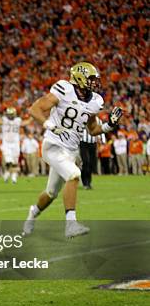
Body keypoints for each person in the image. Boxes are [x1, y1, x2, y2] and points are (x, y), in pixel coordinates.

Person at [23, 62, 123, 238]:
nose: (94, 83)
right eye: (91, 79)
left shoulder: (95, 101)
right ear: (79, 77)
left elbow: (93, 130)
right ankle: (71, 225)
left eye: (94, 79)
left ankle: (32, 213)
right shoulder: (64, 89)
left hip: (70, 151)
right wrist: (49, 125)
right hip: (53, 145)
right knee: (74, 175)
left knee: (51, 193)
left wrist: (109, 125)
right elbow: (35, 109)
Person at [0, 107, 32, 183]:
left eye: (11, 114)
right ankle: (10, 174)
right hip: (6, 143)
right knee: (9, 161)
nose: (10, 116)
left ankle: (11, 175)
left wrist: (32, 116)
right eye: (9, 114)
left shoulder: (17, 121)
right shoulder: (4, 120)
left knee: (15, 162)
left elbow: (27, 122)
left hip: (15, 143)